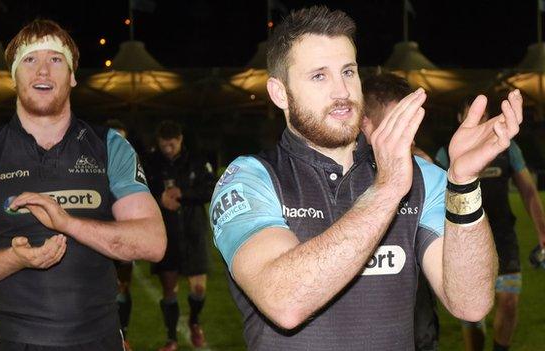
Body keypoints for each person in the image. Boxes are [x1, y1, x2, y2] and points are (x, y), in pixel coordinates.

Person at [209, 6, 523, 350]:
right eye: (319, 76)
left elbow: (471, 302)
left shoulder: (420, 177)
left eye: (348, 71)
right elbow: (285, 301)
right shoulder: (251, 179)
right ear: (280, 93)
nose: (341, 91)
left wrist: (463, 182)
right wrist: (387, 190)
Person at [0, 19, 166, 351]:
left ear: (72, 76)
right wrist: (16, 259)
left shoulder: (110, 147)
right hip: (16, 341)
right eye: (30, 60)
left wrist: (67, 223)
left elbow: (153, 242)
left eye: (55, 60)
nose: (42, 71)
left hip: (101, 339)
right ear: (14, 77)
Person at [434, 97, 545, 351]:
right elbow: (433, 195)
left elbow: (528, 191)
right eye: (474, 115)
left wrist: (542, 230)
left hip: (503, 238)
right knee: (472, 316)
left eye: (485, 115)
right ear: (461, 119)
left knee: (509, 303)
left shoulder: (509, 149)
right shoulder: (447, 152)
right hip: (464, 242)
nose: (481, 121)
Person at [361, 72, 439, 351]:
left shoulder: (425, 173)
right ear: (364, 124)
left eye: (411, 122)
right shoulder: (340, 177)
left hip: (417, 326)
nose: (408, 134)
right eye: (397, 123)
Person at [144, 120, 216, 351]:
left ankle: (194, 321)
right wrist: (159, 199)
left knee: (198, 289)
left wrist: (183, 193)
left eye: (172, 144)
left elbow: (211, 188)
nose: (168, 149)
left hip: (194, 232)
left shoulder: (197, 160)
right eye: (164, 145)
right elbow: (138, 190)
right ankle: (171, 338)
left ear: (180, 139)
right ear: (158, 142)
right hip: (166, 234)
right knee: (169, 289)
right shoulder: (150, 163)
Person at [105, 118, 139, 351]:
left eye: (123, 139)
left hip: (124, 236)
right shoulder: (88, 164)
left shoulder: (132, 165)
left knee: (122, 287)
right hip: (96, 236)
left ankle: (122, 335)